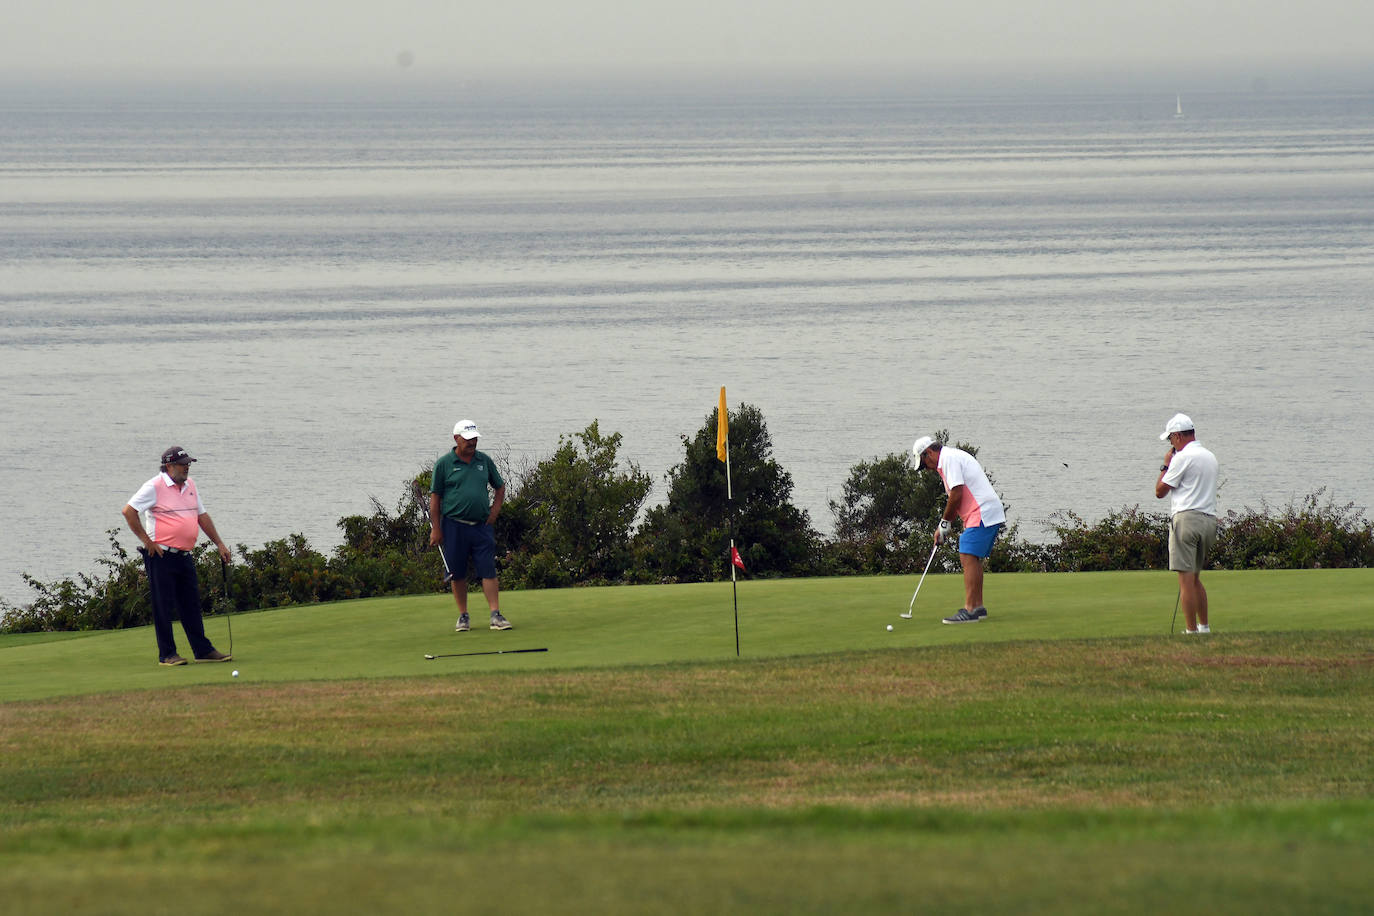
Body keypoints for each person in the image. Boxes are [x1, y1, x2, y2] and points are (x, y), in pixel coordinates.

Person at [121, 446, 234, 666]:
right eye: (183, 464)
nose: (187, 468)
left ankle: (202, 650)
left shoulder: (190, 486)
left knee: (190, 604)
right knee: (163, 605)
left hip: (184, 555)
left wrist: (219, 543)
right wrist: (147, 542)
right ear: (169, 466)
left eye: (188, 464)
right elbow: (129, 511)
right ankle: (167, 654)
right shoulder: (154, 486)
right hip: (161, 555)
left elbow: (201, 516)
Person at [912, 435, 1007, 624]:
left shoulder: (948, 459)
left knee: (967, 552)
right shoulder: (949, 458)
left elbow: (956, 494)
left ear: (929, 453)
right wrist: (944, 526)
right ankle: (977, 607)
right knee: (971, 556)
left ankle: (971, 610)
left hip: (982, 511)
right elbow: (957, 499)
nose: (927, 469)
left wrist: (944, 523)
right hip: (981, 512)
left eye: (925, 464)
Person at [429, 419, 511, 632]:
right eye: (468, 439)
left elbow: (500, 488)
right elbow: (435, 498)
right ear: (456, 439)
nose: (472, 442)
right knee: (457, 572)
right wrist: (436, 528)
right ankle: (463, 616)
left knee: (488, 569)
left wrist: (494, 511)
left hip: (481, 526)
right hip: (453, 526)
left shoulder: (484, 461)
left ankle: (495, 614)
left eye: (474, 438)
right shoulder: (444, 464)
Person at [1154, 413, 1219, 635]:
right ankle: (1204, 627)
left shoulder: (1181, 458)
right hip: (1209, 521)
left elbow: (1160, 491)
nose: (1171, 443)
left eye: (1171, 438)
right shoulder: (1210, 456)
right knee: (1195, 578)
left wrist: (1165, 465)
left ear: (1179, 436)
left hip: (1187, 520)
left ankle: (1191, 632)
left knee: (1186, 580)